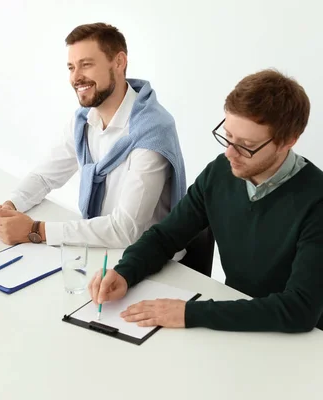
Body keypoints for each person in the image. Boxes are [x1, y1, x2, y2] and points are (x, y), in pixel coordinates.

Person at [90, 69, 323, 332]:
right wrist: (124, 272)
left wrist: (190, 313)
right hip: (238, 319)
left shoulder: (316, 200)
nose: (230, 153)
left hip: (303, 344)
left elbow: (300, 309)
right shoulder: (219, 172)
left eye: (246, 145)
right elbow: (165, 237)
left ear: (288, 141)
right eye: (228, 136)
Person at [0, 22, 186, 249]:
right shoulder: (84, 120)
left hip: (145, 258)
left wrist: (35, 230)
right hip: (98, 247)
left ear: (119, 62)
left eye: (86, 65)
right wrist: (10, 207)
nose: (76, 77)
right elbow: (45, 176)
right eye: (71, 68)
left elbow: (125, 230)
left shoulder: (153, 131)